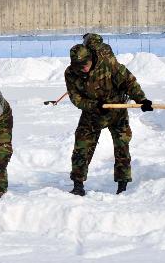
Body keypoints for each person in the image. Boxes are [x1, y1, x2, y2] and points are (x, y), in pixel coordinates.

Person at [64, 39, 153, 196]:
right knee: (81, 147)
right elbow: (75, 98)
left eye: (86, 64)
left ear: (91, 58)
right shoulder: (71, 73)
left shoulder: (109, 64)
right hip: (92, 113)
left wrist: (142, 100)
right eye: (79, 66)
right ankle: (78, 185)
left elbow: (129, 82)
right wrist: (93, 105)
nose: (83, 68)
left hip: (117, 110)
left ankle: (122, 185)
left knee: (122, 146)